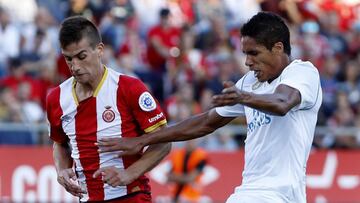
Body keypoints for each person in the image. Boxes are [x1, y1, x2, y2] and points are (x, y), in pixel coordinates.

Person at [96, 11, 323, 203]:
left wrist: (243, 97)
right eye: (245, 54)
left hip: (279, 194)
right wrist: (143, 140)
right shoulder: (250, 82)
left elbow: (283, 103)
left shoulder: (302, 72)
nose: (247, 62)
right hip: (252, 191)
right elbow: (205, 122)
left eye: (254, 53)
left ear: (277, 48)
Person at [46, 16, 171, 202]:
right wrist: (62, 168)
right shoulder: (56, 98)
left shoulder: (128, 88)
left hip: (131, 196)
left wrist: (128, 174)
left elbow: (163, 142)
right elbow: (60, 143)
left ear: (99, 50)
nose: (75, 66)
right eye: (68, 59)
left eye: (81, 57)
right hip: (87, 198)